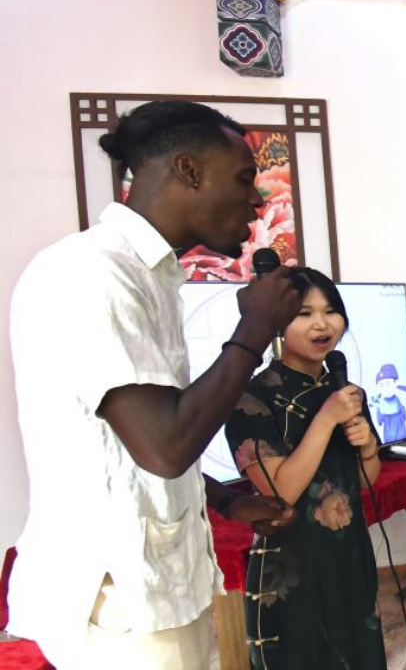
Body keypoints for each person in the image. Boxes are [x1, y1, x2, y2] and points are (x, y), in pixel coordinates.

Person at [7, 101, 300, 670]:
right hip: (120, 607)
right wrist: (255, 329)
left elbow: (123, 449)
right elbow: (165, 445)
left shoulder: (148, 275)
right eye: (244, 178)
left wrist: (224, 499)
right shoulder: (93, 273)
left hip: (152, 591)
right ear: (188, 170)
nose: (258, 200)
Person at [225, 268, 385, 669]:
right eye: (304, 314)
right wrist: (327, 419)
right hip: (290, 567)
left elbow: (362, 481)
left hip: (349, 556)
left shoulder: (345, 393)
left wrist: (368, 449)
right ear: (278, 322)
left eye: (331, 311)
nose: (321, 324)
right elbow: (281, 494)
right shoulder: (250, 399)